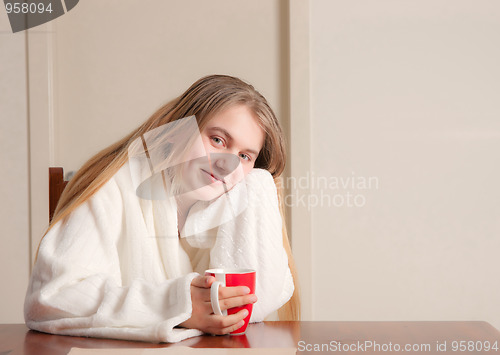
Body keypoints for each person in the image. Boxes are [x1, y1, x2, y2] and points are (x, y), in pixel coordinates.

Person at [24, 74, 300, 343]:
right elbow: (52, 298)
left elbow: (257, 301)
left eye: (244, 156)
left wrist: (259, 187)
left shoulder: (238, 204)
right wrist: (176, 303)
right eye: (217, 139)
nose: (226, 165)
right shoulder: (114, 185)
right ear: (178, 130)